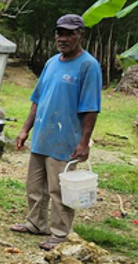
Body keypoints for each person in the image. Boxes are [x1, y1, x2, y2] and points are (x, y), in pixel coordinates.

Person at [10, 14, 102, 250]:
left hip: (66, 140)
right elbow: (37, 100)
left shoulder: (88, 66)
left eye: (69, 33)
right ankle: (35, 223)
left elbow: (91, 108)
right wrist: (24, 130)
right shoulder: (52, 63)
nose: (63, 38)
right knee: (35, 185)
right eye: (59, 32)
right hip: (42, 135)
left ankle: (60, 234)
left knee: (59, 189)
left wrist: (83, 142)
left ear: (80, 35)